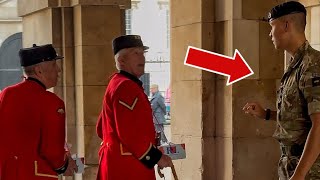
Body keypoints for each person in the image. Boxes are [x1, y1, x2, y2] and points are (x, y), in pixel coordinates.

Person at [243, 1, 320, 180]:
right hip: (291, 166)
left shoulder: (313, 65)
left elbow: (319, 125)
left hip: (310, 172)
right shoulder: (295, 64)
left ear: (286, 25)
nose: (270, 33)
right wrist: (266, 114)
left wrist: (299, 176)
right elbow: (299, 115)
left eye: (272, 26)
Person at [96, 35, 173, 180]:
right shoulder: (126, 86)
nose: (142, 58)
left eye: (142, 53)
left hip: (116, 164)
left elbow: (101, 128)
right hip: (128, 168)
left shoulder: (116, 83)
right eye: (135, 53)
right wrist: (156, 157)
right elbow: (129, 133)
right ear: (121, 60)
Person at [0, 44, 77, 179]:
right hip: (34, 174)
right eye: (54, 65)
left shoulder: (7, 93)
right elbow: (51, 151)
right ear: (39, 70)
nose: (58, 70)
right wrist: (64, 165)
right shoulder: (52, 102)